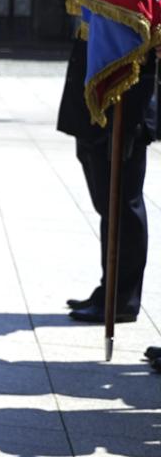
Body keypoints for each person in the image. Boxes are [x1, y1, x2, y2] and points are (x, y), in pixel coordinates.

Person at [57, 33, 156, 323]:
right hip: (95, 94)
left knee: (122, 203)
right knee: (106, 203)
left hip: (125, 99)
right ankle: (109, 289)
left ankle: (122, 298)